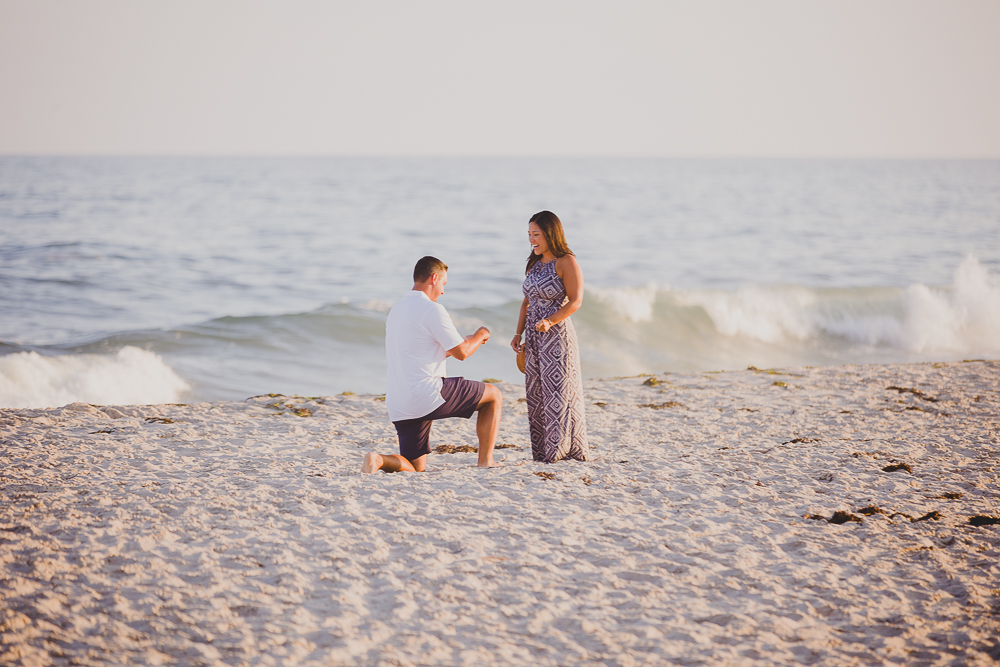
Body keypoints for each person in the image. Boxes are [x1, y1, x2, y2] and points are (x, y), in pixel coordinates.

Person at [362, 256, 502, 473]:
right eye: (443, 284)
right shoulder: (432, 309)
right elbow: (462, 353)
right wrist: (479, 335)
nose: (443, 291)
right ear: (434, 278)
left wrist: (461, 343)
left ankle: (378, 459)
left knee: (416, 468)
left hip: (399, 402)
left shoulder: (397, 309)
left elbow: (421, 354)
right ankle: (486, 461)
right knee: (493, 395)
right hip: (426, 395)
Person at [510, 211, 589, 463]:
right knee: (538, 394)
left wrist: (550, 320)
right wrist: (517, 333)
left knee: (560, 393)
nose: (532, 240)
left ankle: (563, 451)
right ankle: (543, 453)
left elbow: (576, 301)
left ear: (550, 234)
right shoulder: (534, 262)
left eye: (536, 235)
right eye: (529, 235)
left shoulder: (566, 261)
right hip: (533, 339)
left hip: (557, 338)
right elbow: (526, 302)